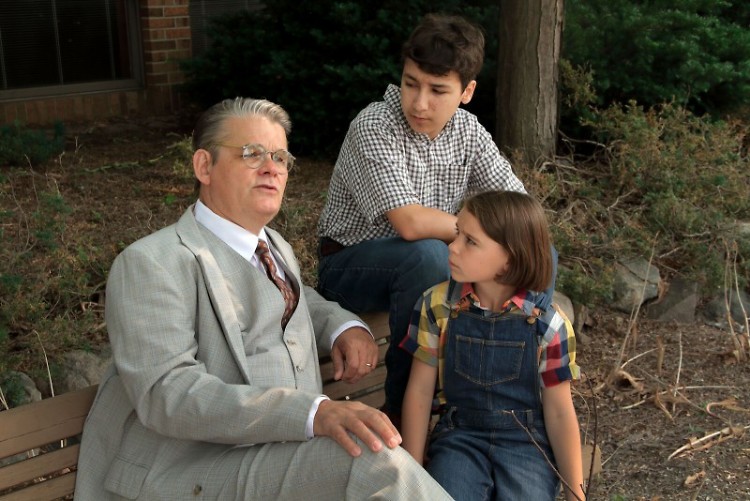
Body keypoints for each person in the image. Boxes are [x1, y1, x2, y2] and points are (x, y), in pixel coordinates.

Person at [74, 97, 452, 500]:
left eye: (280, 157)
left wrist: (342, 324)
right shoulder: (151, 263)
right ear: (204, 167)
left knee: (372, 447)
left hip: (279, 460)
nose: (272, 167)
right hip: (193, 471)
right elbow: (169, 394)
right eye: (252, 154)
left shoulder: (273, 246)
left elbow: (293, 299)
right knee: (372, 458)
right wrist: (312, 413)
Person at [317, 13, 557, 423]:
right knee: (426, 254)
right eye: (411, 83)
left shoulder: (469, 131)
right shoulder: (375, 125)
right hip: (351, 269)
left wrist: (493, 241)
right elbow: (409, 223)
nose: (419, 102)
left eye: (437, 90)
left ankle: (509, 391)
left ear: (467, 91)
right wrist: (480, 237)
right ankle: (404, 414)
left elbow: (521, 214)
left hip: (434, 262)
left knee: (540, 251)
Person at [399, 190, 584, 501]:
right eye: (458, 234)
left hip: (527, 444)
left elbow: (560, 413)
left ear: (509, 258)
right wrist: (412, 474)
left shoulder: (548, 325)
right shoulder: (438, 306)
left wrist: (576, 495)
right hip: (460, 437)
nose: (453, 248)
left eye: (470, 241)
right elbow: (419, 393)